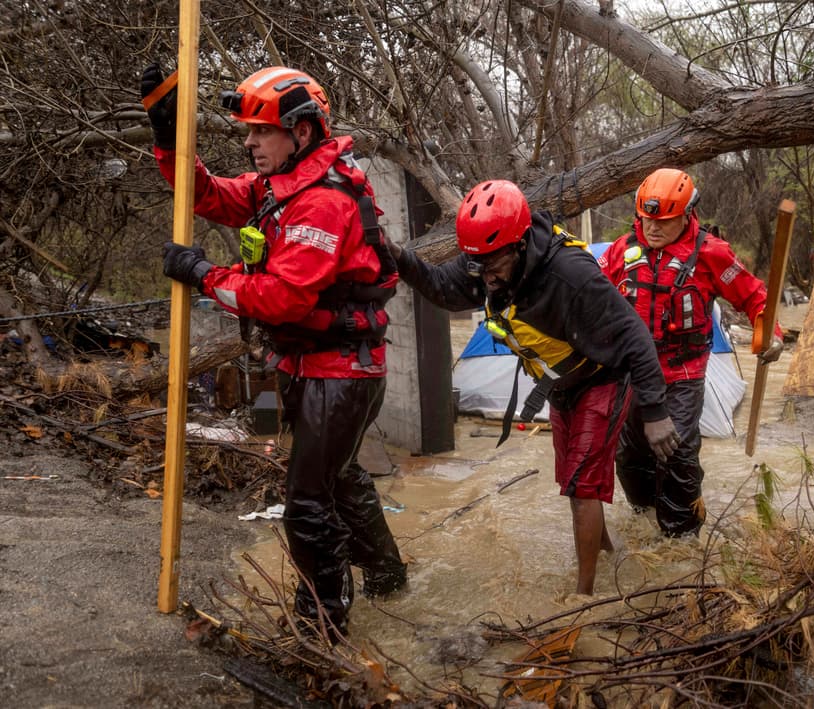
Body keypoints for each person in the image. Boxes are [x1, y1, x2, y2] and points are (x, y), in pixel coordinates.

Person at [141, 63, 407, 637]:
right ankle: (389, 580)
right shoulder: (279, 188)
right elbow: (208, 196)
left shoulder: (322, 203)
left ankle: (322, 627)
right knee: (335, 478)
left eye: (261, 131)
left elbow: (284, 299)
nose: (250, 141)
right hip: (306, 362)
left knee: (307, 502)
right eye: (250, 131)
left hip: (342, 371)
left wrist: (205, 275)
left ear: (301, 132)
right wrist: (168, 142)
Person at [387, 179, 680, 595]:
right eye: (478, 265)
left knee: (582, 486)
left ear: (520, 245)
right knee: (574, 483)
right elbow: (444, 289)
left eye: (494, 266)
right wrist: (401, 258)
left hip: (605, 377)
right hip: (563, 386)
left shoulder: (571, 276)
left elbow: (635, 335)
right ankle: (613, 555)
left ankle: (583, 598)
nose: (485, 277)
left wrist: (655, 413)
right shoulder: (485, 260)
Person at [598, 168, 784, 538]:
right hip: (631, 375)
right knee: (627, 456)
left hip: (681, 376)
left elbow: (755, 296)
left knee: (676, 454)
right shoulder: (622, 250)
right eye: (646, 218)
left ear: (686, 214)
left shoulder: (711, 253)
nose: (652, 228)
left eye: (663, 221)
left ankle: (681, 541)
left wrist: (770, 334)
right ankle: (644, 519)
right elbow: (588, 294)